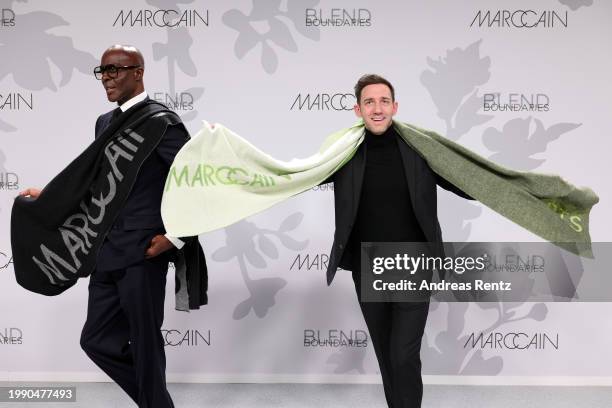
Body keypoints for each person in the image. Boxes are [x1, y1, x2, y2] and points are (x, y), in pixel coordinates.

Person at [19, 44, 189, 408]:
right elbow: (97, 183)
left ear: (139, 72)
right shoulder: (105, 123)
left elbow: (195, 185)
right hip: (106, 250)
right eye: (103, 72)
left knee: (144, 340)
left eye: (115, 70)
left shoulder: (163, 123)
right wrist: (49, 195)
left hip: (144, 251)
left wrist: (175, 239)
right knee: (95, 340)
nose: (107, 78)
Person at [324, 74, 472, 408]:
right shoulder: (343, 152)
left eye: (384, 101)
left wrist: (509, 190)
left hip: (412, 264)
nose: (377, 108)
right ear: (357, 109)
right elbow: (295, 176)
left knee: (403, 354)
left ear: (395, 106)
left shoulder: (420, 147)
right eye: (369, 102)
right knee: (387, 356)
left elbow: (465, 180)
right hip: (368, 264)